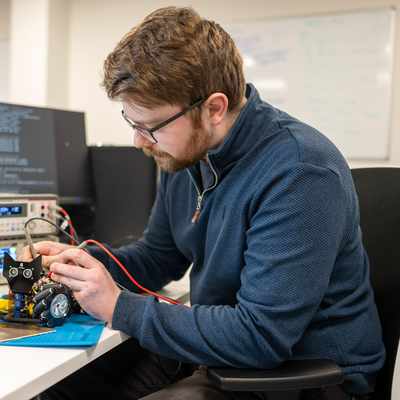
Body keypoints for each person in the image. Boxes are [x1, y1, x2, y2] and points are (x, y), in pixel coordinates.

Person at [29, 6, 384, 400]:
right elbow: (159, 257)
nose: (139, 142)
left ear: (214, 108)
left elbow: (260, 336)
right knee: (59, 390)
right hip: (220, 350)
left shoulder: (299, 172)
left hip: (304, 374)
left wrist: (118, 306)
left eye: (150, 127)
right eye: (133, 124)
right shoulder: (184, 153)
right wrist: (84, 266)